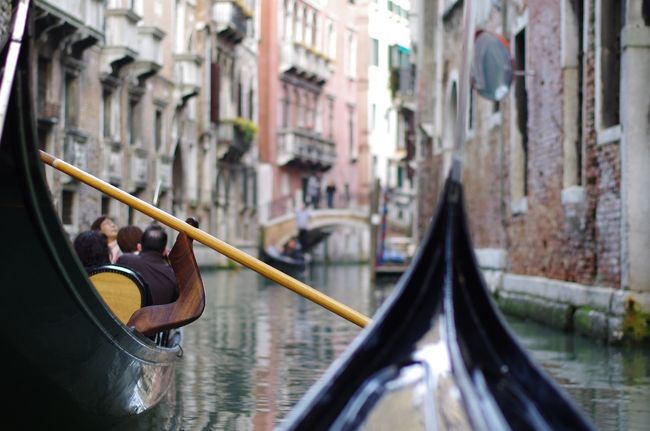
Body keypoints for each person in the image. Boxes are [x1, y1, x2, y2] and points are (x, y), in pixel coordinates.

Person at [116, 224, 178, 305]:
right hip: (156, 317)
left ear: (140, 247)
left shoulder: (125, 260)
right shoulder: (172, 276)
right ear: (164, 251)